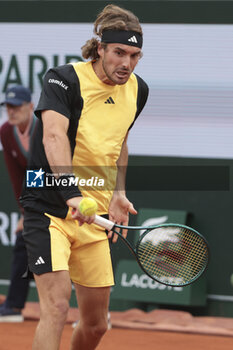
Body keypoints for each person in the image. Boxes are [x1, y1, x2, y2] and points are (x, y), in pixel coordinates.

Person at [20, 4, 148, 350]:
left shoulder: (138, 90)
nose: (127, 63)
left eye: (135, 55)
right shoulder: (63, 79)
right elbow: (53, 137)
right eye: (119, 52)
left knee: (95, 325)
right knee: (57, 307)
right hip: (48, 208)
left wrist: (118, 192)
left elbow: (119, 141)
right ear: (101, 48)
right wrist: (72, 194)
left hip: (94, 216)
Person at [0, 85, 36, 322]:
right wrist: (26, 212)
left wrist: (31, 210)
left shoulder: (43, 127)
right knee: (24, 240)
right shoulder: (5, 131)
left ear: (30, 107)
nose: (12, 112)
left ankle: (95, 310)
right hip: (36, 193)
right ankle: (13, 306)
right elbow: (16, 176)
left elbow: (42, 169)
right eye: (8, 107)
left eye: (17, 107)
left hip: (66, 186)